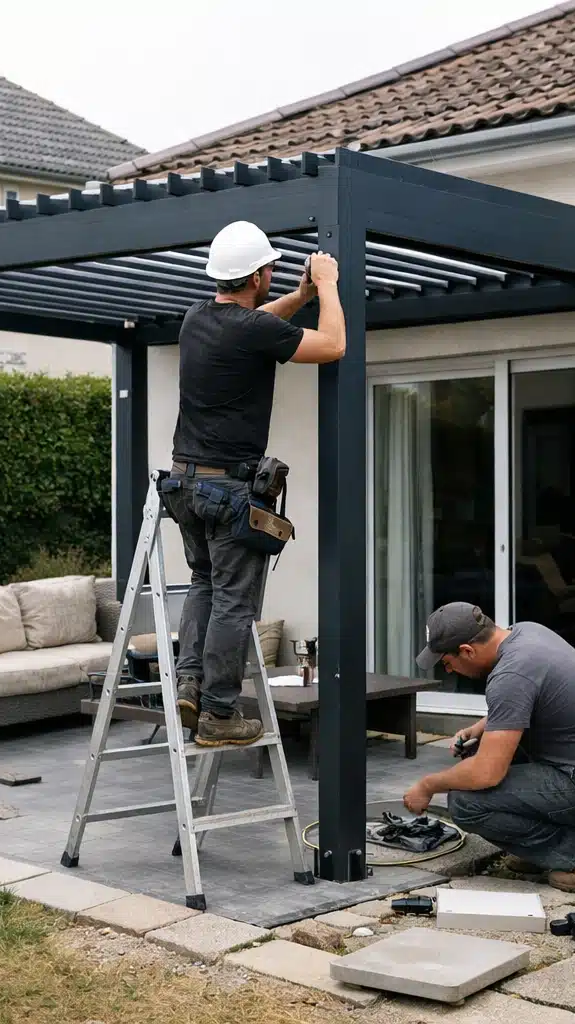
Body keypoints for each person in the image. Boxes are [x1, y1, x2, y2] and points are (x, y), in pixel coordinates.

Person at [168, 221, 346, 746]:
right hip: (227, 492)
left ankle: (190, 684)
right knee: (233, 602)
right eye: (270, 269)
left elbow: (256, 322)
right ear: (257, 275)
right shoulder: (248, 330)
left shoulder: (197, 318)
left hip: (184, 485)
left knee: (204, 584)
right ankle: (220, 715)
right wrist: (328, 285)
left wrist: (296, 296)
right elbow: (334, 344)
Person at [403, 602, 575, 893]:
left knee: (465, 801)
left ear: (467, 650)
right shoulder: (526, 633)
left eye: (447, 662)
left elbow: (487, 773)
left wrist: (427, 786)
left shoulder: (510, 676)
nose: (449, 669)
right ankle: (546, 849)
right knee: (478, 751)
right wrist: (479, 727)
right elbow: (526, 697)